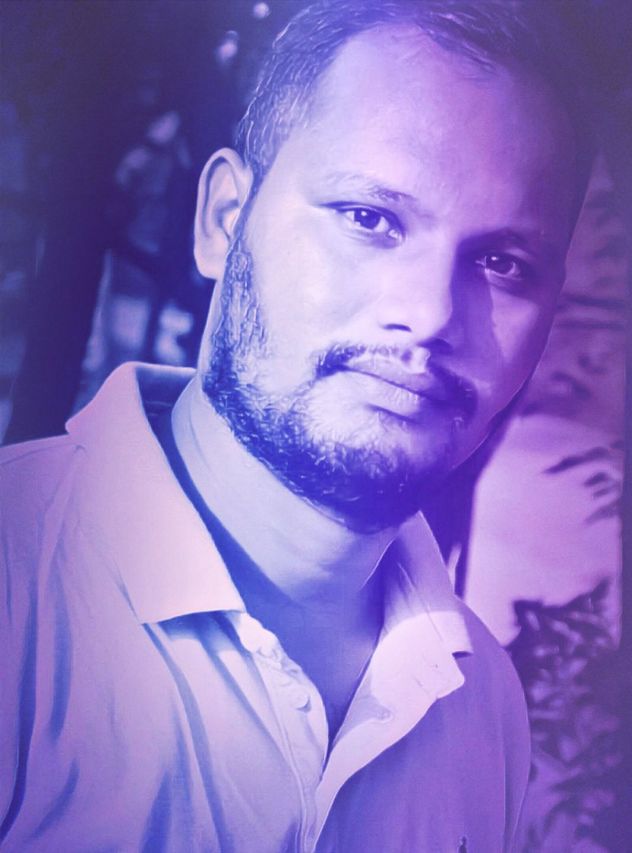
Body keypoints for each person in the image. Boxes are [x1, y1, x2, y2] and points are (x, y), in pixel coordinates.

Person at [0, 1, 592, 850]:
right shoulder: (18, 584)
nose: (429, 315)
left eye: (501, 262)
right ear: (222, 218)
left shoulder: (483, 705)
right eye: (369, 218)